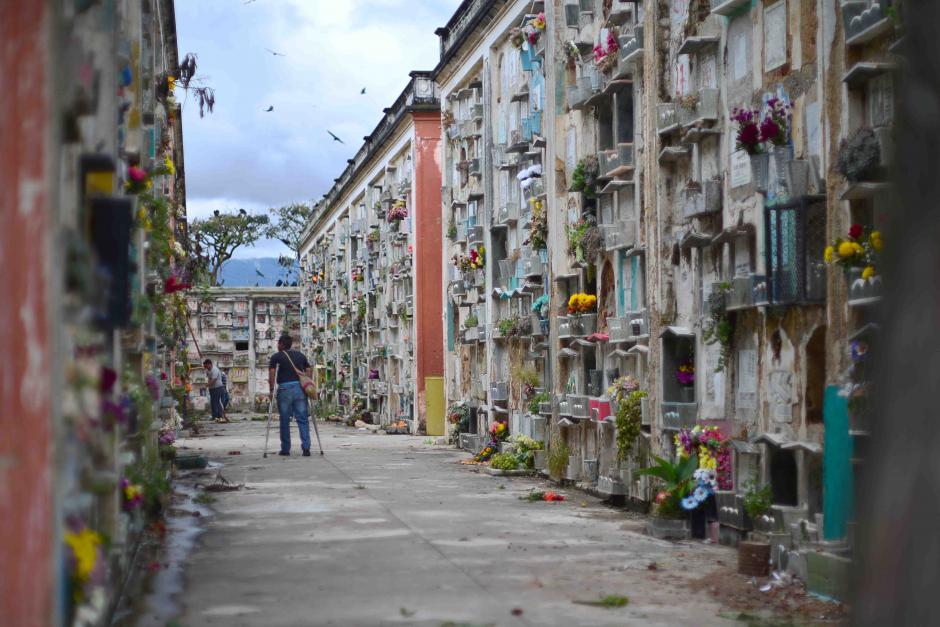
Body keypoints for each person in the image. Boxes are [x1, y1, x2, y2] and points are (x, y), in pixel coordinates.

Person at [269, 334, 312, 456]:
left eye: (278, 343)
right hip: (299, 388)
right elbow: (308, 369)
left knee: (284, 419)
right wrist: (308, 383)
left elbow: (272, 373)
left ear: (282, 344)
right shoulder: (300, 355)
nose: (277, 345)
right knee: (302, 419)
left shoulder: (276, 357)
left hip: (284, 389)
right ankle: (306, 447)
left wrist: (272, 390)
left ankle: (285, 449)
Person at [204, 359, 228, 423]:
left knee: (218, 402)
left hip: (218, 388)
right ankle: (214, 417)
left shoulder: (215, 369)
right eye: (205, 366)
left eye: (206, 366)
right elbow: (209, 378)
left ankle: (222, 417)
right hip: (212, 389)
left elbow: (214, 380)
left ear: (210, 364)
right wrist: (209, 386)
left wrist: (207, 385)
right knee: (213, 402)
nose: (206, 367)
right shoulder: (208, 371)